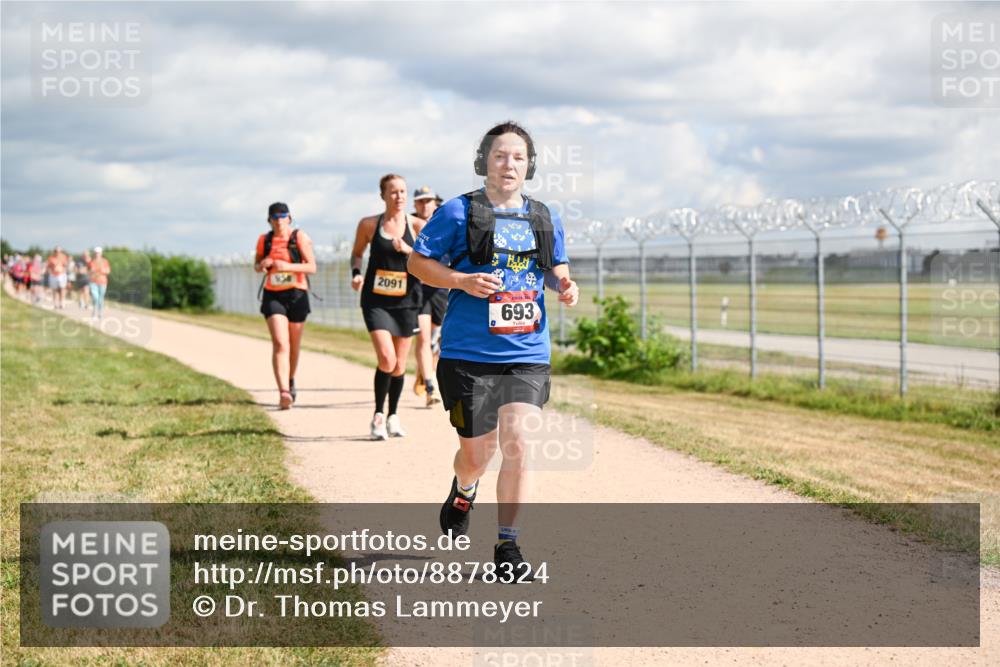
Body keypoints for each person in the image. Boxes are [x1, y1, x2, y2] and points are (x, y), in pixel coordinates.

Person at [408, 121, 579, 582]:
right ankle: (464, 489)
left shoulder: (543, 216)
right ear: (484, 161)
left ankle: (508, 544)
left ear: (530, 165)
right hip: (467, 354)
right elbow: (417, 263)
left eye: (518, 157)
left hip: (527, 349)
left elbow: (554, 266)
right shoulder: (457, 213)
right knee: (477, 454)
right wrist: (462, 281)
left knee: (520, 443)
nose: (509, 164)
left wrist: (564, 283)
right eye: (500, 155)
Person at [350, 174, 425, 440]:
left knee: (400, 365)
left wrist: (408, 250)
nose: (399, 196)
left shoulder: (417, 225)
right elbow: (357, 253)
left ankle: (393, 415)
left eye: (403, 191)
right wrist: (356, 273)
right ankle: (378, 415)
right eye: (393, 192)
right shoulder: (369, 224)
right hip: (376, 301)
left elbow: (432, 259)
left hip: (407, 301)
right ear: (383, 196)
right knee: (387, 359)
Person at [254, 202, 317, 410]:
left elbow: (311, 267)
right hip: (273, 295)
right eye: (274, 217)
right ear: (269, 220)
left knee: (293, 344)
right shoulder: (265, 240)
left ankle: (289, 379)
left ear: (289, 218)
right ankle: (283, 392)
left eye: (283, 216)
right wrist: (263, 265)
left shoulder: (299, 237)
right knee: (281, 343)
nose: (279, 220)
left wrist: (287, 266)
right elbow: (256, 265)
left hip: (297, 293)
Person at [411, 186, 447, 407]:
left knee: (436, 341)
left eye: (428, 201)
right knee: (424, 338)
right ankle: (430, 386)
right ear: (415, 205)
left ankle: (425, 372)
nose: (424, 205)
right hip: (417, 289)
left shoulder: (445, 222)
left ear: (435, 203)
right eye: (420, 201)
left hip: (441, 289)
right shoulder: (409, 224)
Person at [87, 247, 111, 320]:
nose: (97, 254)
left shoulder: (105, 261)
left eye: (98, 253)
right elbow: (87, 271)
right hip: (93, 282)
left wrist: (103, 270)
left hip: (103, 282)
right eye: (96, 253)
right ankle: (94, 312)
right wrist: (91, 271)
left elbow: (108, 271)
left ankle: (100, 314)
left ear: (101, 253)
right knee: (95, 297)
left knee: (101, 299)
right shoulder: (91, 262)